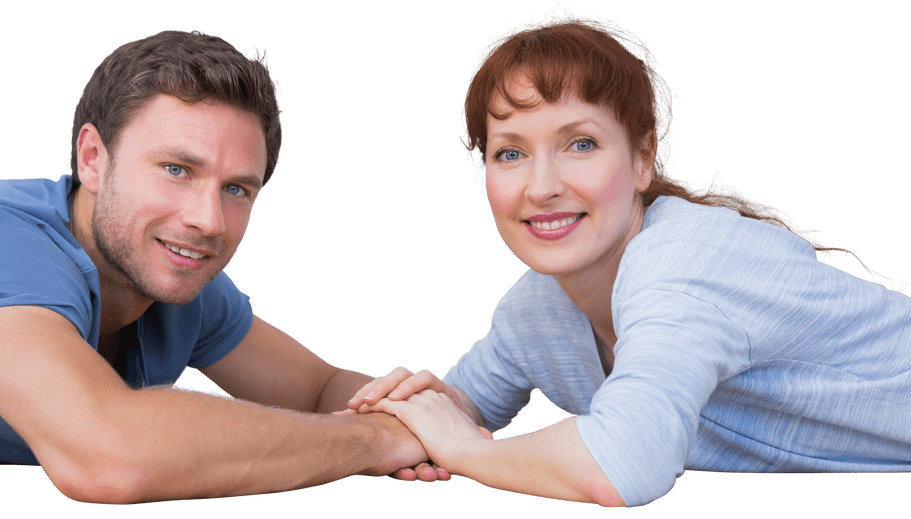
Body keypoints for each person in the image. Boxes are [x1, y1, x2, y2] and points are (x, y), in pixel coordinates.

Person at [0, 29, 449, 504]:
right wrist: (376, 440)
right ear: (94, 159)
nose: (207, 219)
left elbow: (318, 388)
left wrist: (432, 414)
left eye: (238, 189)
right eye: (177, 170)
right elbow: (108, 454)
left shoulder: (172, 275)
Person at [347, 2, 911, 508]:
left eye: (581, 144)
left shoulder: (682, 263)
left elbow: (622, 468)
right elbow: (456, 409)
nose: (540, 186)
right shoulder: (538, 309)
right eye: (511, 152)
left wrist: (462, 448)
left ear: (643, 158)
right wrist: (414, 406)